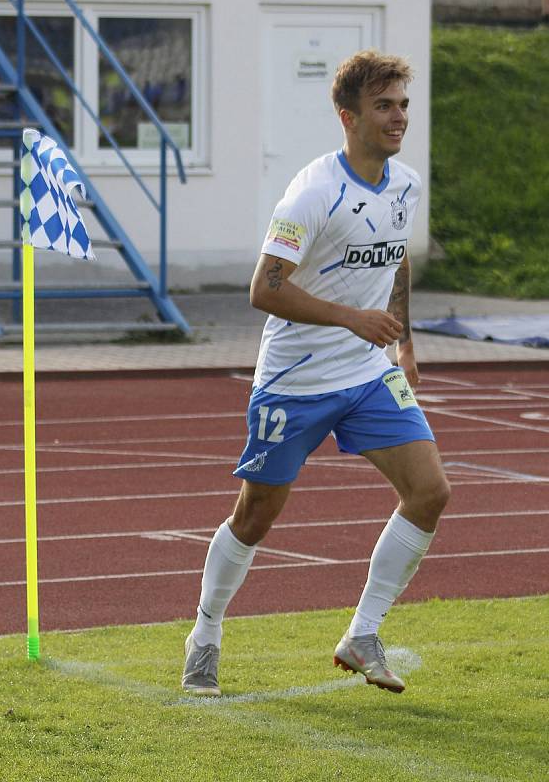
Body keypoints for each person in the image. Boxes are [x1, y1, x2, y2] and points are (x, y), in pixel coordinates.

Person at [182, 49, 451, 696]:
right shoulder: (311, 194)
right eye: (384, 106)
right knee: (255, 517)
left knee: (431, 491)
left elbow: (396, 259)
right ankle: (206, 633)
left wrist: (402, 343)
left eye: (404, 105)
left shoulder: (406, 183)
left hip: (366, 375)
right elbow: (264, 289)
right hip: (296, 380)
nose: (398, 118)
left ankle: (362, 632)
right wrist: (350, 319)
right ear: (348, 117)